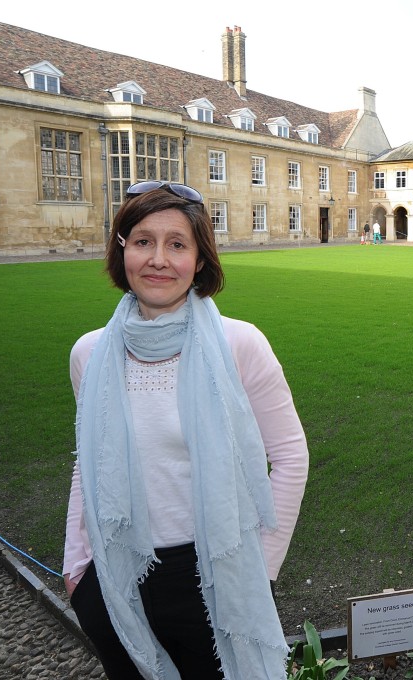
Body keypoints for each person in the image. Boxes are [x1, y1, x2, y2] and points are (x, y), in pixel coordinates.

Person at [63, 181, 309, 680]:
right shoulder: (90, 352)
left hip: (212, 576)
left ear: (199, 260)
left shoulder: (240, 343)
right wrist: (76, 568)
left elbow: (289, 455)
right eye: (142, 241)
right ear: (122, 251)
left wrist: (259, 570)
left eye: (176, 244)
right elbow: (86, 463)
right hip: (113, 576)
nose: (157, 259)